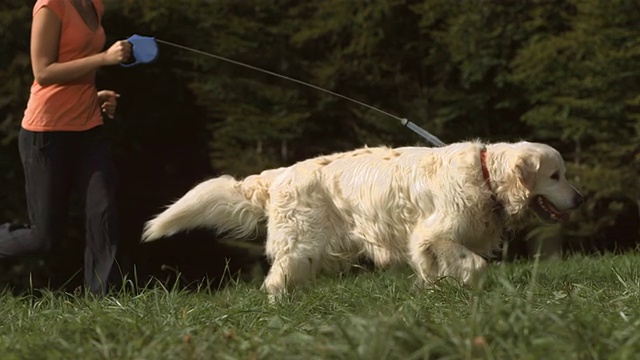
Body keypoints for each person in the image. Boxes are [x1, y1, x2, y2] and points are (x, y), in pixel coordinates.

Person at [0, 0, 132, 296]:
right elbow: (43, 71)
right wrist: (104, 58)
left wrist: (93, 96)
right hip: (46, 132)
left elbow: (77, 59)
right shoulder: (50, 5)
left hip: (88, 127)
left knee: (103, 210)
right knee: (43, 237)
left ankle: (103, 301)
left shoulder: (94, 4)